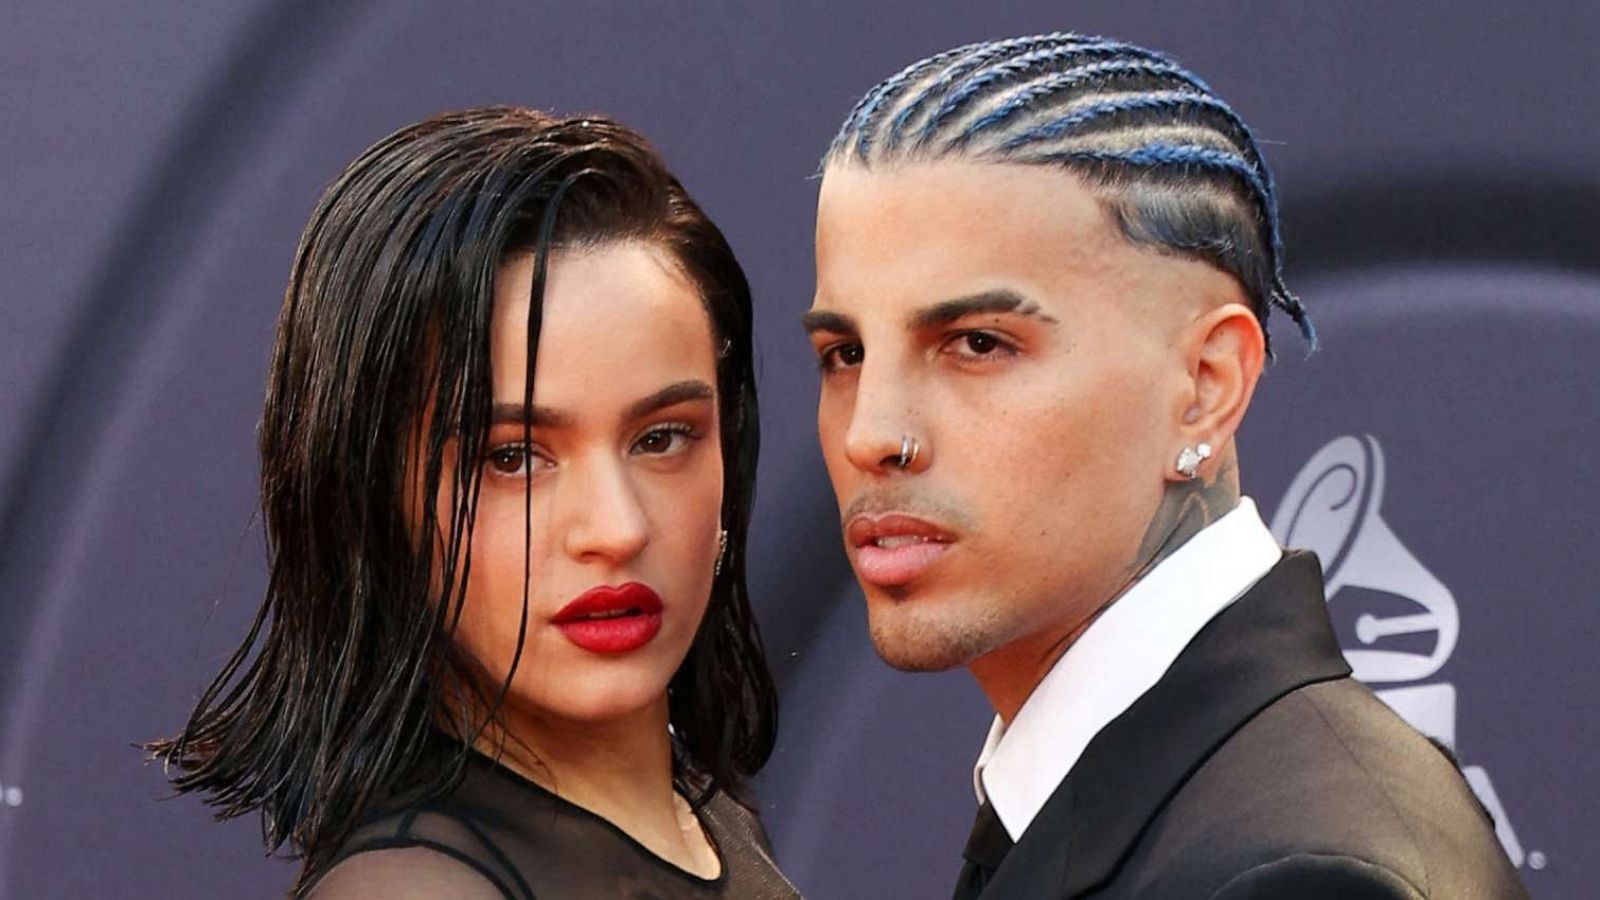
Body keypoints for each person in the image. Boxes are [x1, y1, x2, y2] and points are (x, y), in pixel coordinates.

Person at [804, 33, 1528, 899]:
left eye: (976, 344)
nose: (871, 434)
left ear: (1205, 386)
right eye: (844, 353)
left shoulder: (1304, 874)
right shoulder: (1143, 799)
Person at [149, 107, 800, 900]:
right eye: (512, 457)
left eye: (661, 438)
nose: (617, 529)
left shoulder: (704, 816)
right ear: (370, 499)